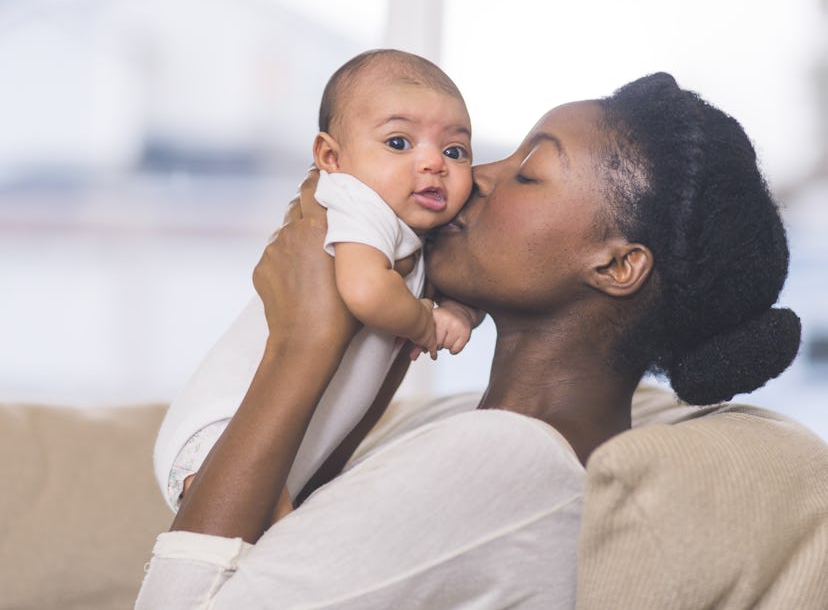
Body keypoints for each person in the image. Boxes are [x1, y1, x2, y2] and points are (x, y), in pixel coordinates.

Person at [136, 72, 801, 609]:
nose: (474, 175)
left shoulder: (508, 458)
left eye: (528, 172)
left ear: (616, 265)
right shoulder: (476, 424)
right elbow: (294, 551)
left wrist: (301, 342)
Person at [153, 50, 482, 512]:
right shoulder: (355, 201)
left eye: (454, 151)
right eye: (398, 143)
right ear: (331, 157)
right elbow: (367, 291)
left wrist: (461, 312)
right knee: (270, 557)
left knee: (273, 553)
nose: (433, 163)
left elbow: (469, 288)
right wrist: (428, 324)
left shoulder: (413, 233)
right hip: (222, 428)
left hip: (289, 442)